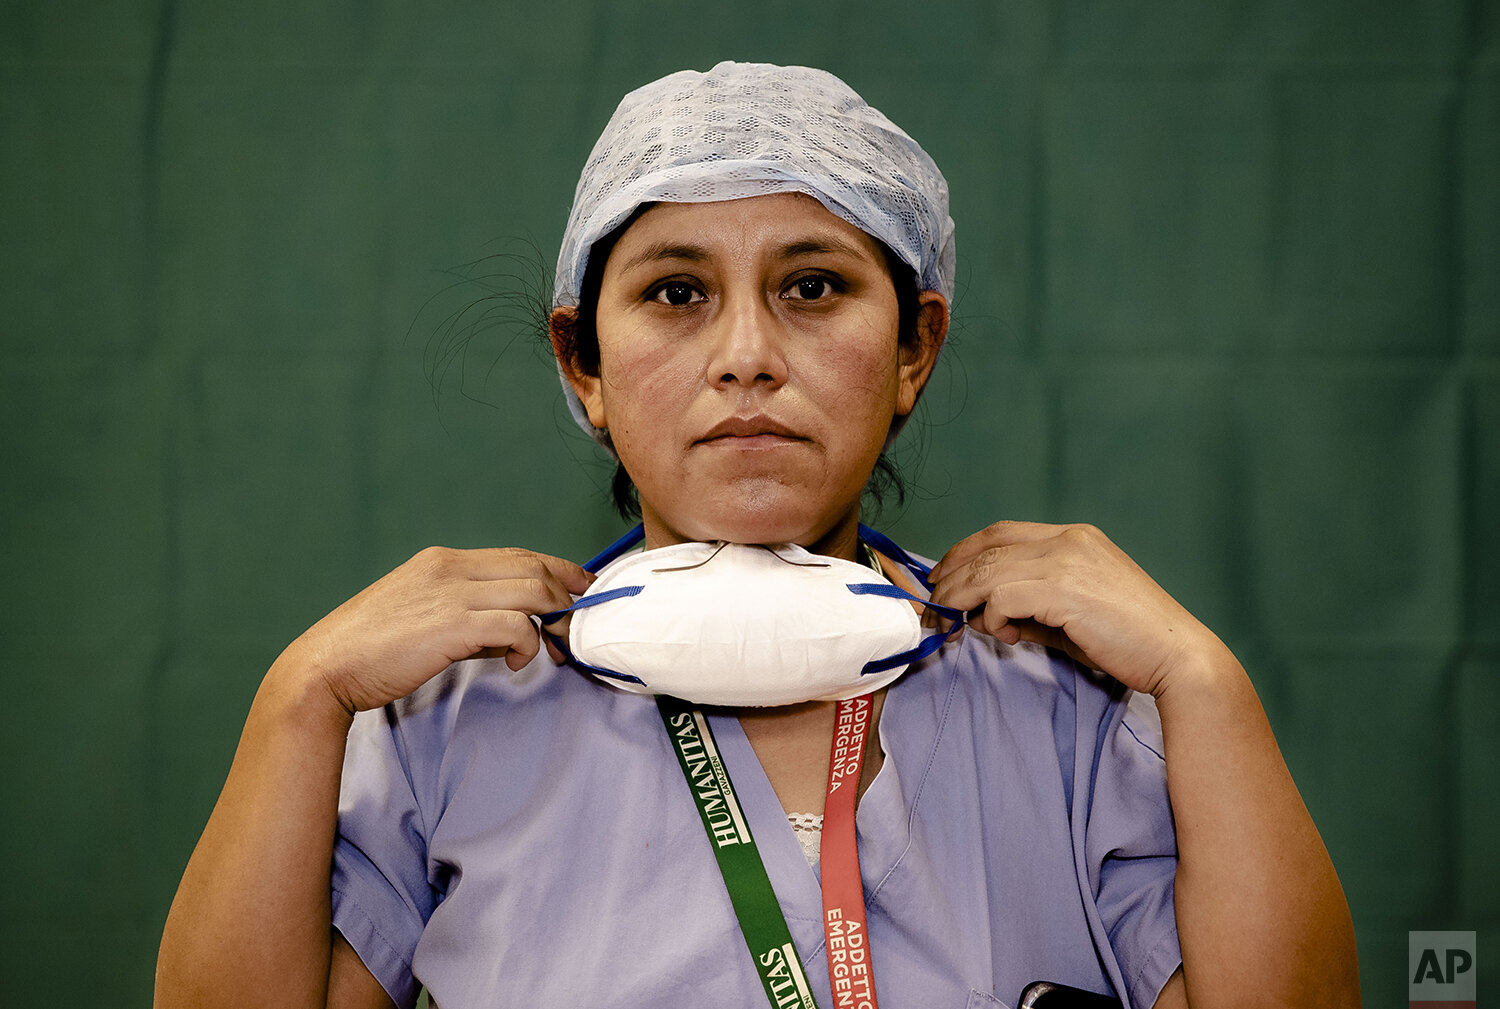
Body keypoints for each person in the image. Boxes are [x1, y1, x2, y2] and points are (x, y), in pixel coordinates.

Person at [154, 62, 1360, 1009]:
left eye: (815, 286)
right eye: (676, 293)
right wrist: (299, 696)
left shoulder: (1071, 702)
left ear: (913, 350)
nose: (746, 356)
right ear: (585, 365)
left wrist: (1203, 679)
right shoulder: (453, 712)